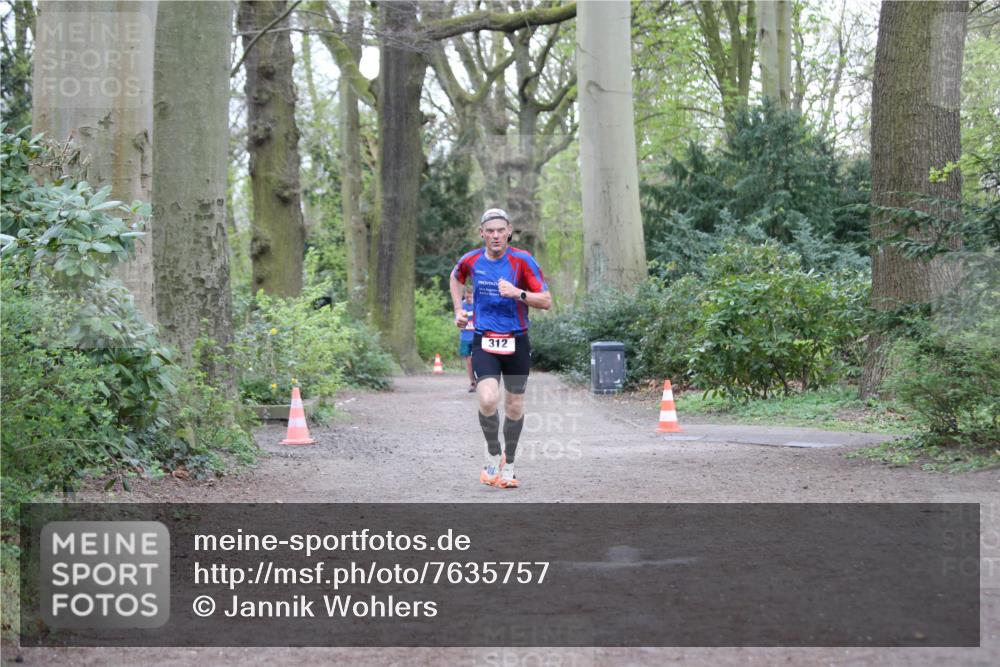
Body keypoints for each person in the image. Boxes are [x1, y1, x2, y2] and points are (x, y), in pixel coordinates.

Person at [450, 207, 552, 489]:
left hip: (517, 341)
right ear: (482, 233)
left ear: (509, 231)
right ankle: (494, 453)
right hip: (484, 340)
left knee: (515, 405)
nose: (495, 236)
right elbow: (456, 277)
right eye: (490, 231)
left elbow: (546, 300)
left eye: (500, 230)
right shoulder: (471, 260)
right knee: (487, 399)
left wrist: (517, 293)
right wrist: (459, 310)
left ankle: (510, 464)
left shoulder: (522, 261)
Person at [459, 287, 476, 392]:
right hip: (465, 337)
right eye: (466, 297)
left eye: (470, 296)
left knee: (477, 361)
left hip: (477, 336)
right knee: (469, 362)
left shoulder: (478, 304)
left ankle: (480, 380)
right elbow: (457, 320)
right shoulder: (461, 305)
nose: (468, 299)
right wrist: (459, 324)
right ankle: (472, 382)